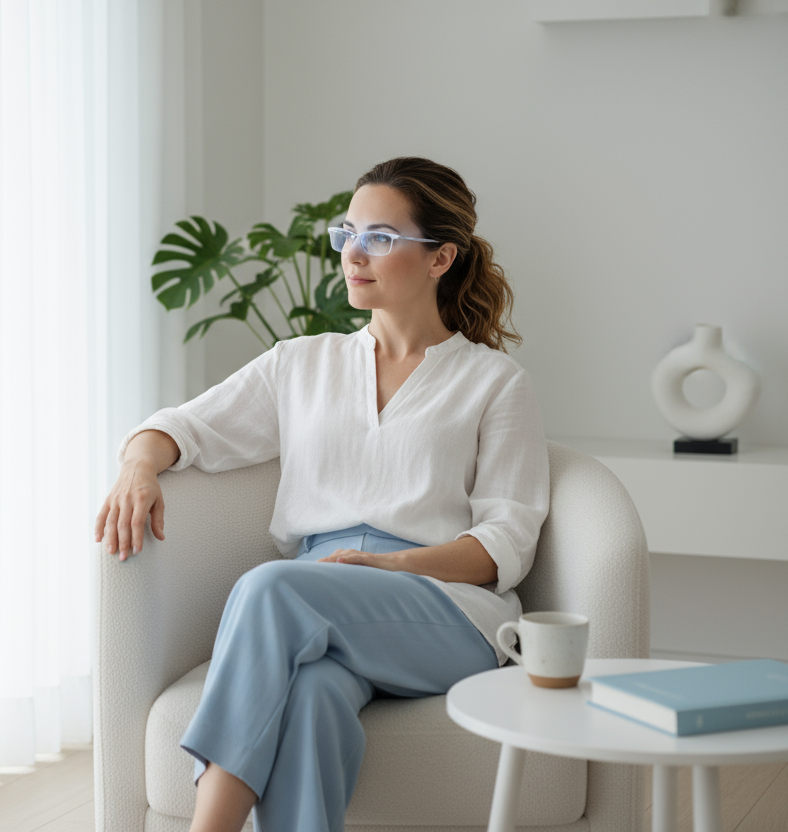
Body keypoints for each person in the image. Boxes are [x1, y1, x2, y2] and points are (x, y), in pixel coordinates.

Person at [93, 157, 549, 832]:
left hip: (443, 609)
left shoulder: (494, 382)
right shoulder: (299, 363)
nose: (353, 254)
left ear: (440, 257)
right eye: (347, 232)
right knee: (310, 696)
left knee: (271, 588)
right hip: (318, 599)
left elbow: (504, 544)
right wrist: (137, 466)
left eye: (381, 237)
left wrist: (389, 566)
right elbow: (184, 427)